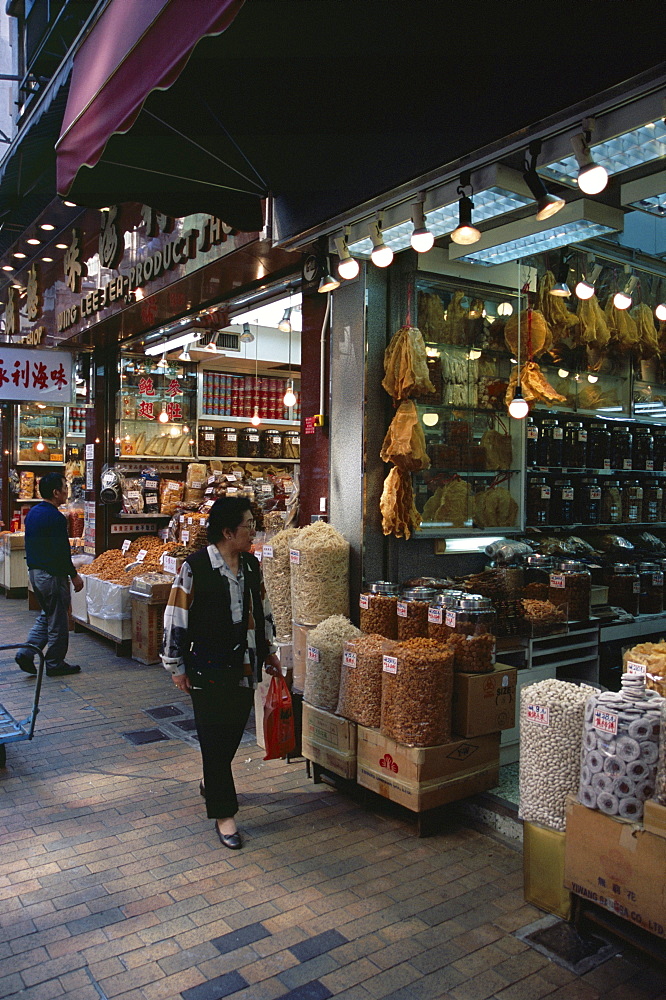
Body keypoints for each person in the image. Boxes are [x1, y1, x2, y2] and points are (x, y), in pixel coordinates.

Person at [161, 496, 280, 850]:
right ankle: (224, 814)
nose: (253, 531)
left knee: (230, 733)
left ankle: (211, 780)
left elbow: (263, 608)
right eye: (248, 526)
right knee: (213, 740)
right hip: (207, 666)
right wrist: (175, 666)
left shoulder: (251, 565)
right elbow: (176, 616)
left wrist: (269, 651)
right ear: (228, 532)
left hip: (244, 665)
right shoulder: (196, 567)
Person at [16, 472, 83, 677]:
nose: (67, 491)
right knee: (59, 622)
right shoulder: (55, 517)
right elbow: (61, 551)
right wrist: (74, 575)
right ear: (56, 492)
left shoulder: (34, 513)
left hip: (36, 573)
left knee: (48, 616)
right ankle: (55, 663)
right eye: (64, 487)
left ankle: (26, 652)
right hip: (52, 576)